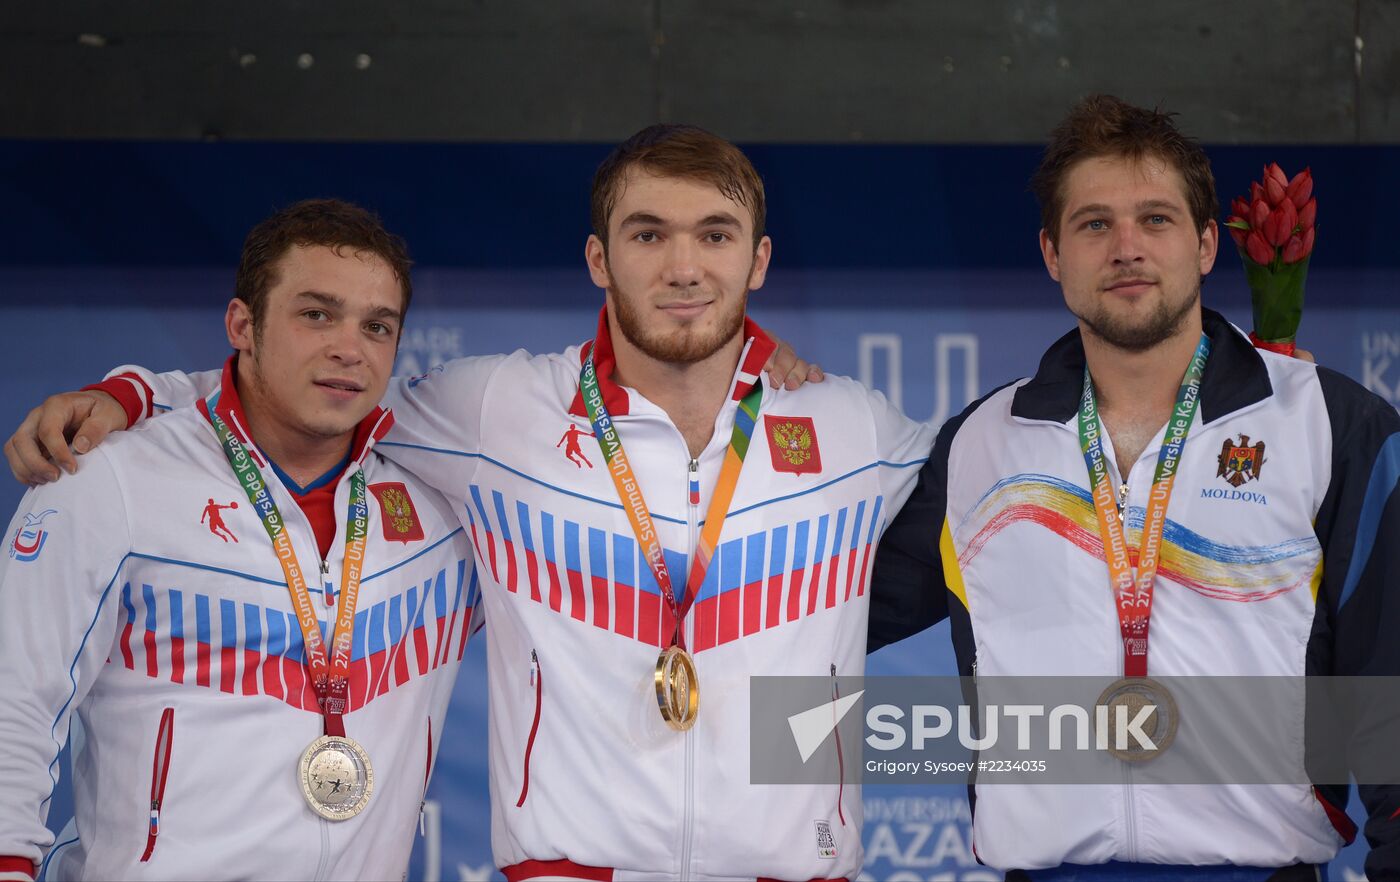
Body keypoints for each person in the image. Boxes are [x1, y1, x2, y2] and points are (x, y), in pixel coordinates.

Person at [5, 126, 932, 881]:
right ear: (599, 258)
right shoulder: (494, 411)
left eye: (715, 236)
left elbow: (1005, 492)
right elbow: (304, 400)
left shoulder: (855, 428)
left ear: (758, 260)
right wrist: (133, 396)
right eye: (649, 234)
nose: (684, 267)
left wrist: (1074, 749)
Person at [869, 95, 1400, 879]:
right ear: (1052, 253)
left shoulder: (1329, 425)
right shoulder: (981, 443)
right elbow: (821, 610)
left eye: (1156, 219)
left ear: (1207, 243)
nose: (1127, 248)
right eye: (1094, 225)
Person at [0, 199, 479, 881]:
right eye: (317, 314)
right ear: (242, 325)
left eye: (377, 326)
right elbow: (14, 701)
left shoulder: (441, 497)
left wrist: (134, 390)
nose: (349, 346)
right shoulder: (110, 477)